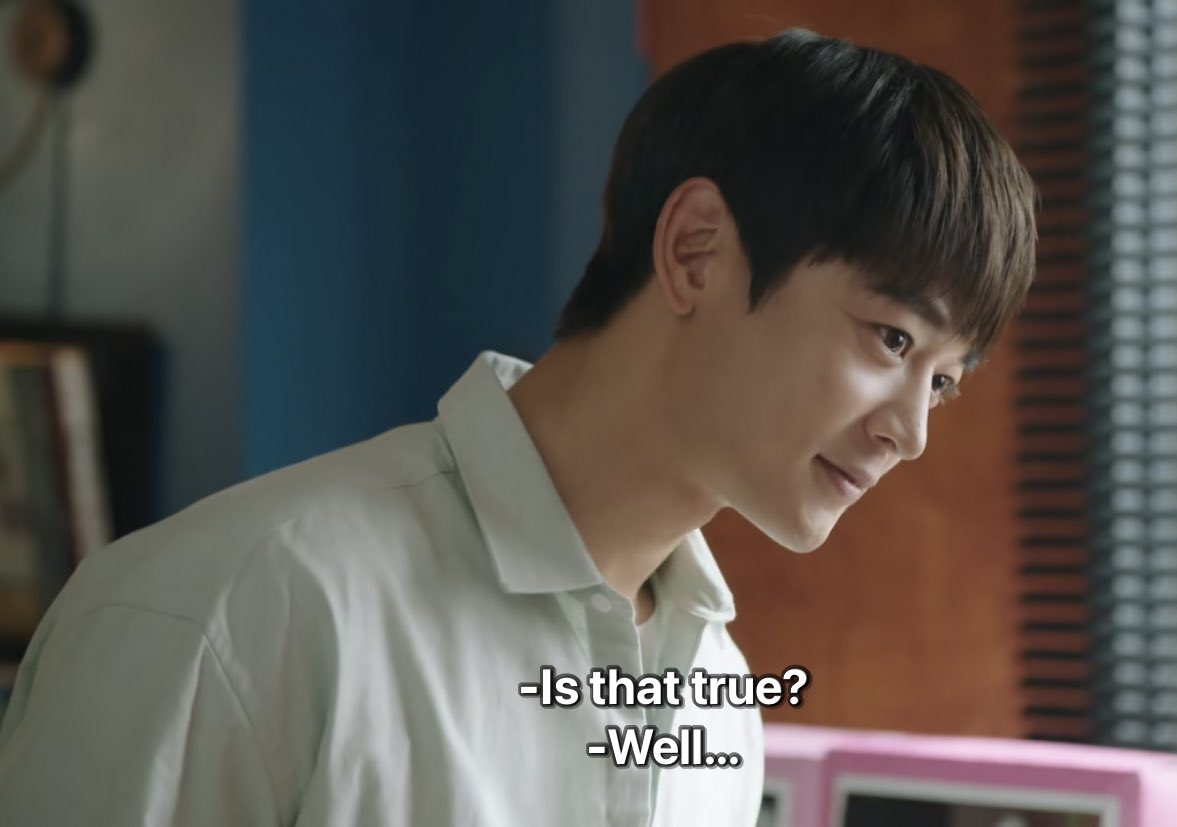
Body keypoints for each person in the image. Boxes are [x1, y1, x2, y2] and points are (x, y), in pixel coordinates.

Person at [0, 28, 1036, 826]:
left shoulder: (716, 696)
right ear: (697, 251)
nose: (911, 432)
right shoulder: (230, 611)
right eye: (893, 339)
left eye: (944, 382)